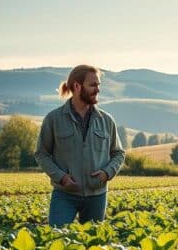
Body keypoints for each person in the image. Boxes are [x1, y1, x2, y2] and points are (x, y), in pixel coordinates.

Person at [35, 64, 125, 227]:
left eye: (98, 85)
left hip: (97, 195)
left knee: (92, 245)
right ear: (77, 86)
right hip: (64, 194)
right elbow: (41, 154)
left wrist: (106, 173)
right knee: (56, 239)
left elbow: (118, 153)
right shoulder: (54, 119)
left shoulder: (106, 120)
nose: (97, 89)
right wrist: (61, 178)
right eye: (93, 85)